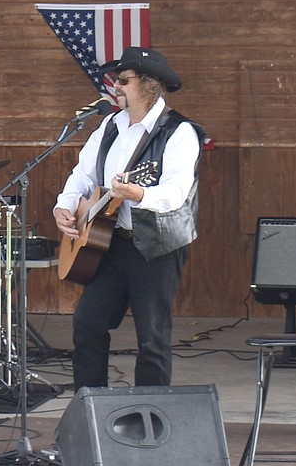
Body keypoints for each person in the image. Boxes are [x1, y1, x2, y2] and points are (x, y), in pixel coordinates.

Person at [52, 46, 205, 391]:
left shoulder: (179, 132)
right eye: (113, 80)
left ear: (150, 85)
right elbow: (83, 174)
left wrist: (139, 195)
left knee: (151, 337)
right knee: (87, 323)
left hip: (156, 246)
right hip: (108, 243)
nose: (115, 86)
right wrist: (66, 204)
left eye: (123, 80)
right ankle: (89, 406)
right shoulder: (109, 125)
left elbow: (176, 192)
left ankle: (150, 415)